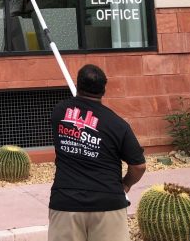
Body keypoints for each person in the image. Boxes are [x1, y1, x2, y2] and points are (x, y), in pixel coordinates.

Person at [48, 64, 146, 241]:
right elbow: (138, 166)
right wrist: (126, 184)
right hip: (108, 203)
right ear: (103, 90)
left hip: (66, 203)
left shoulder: (59, 113)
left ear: (78, 86)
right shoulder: (117, 125)